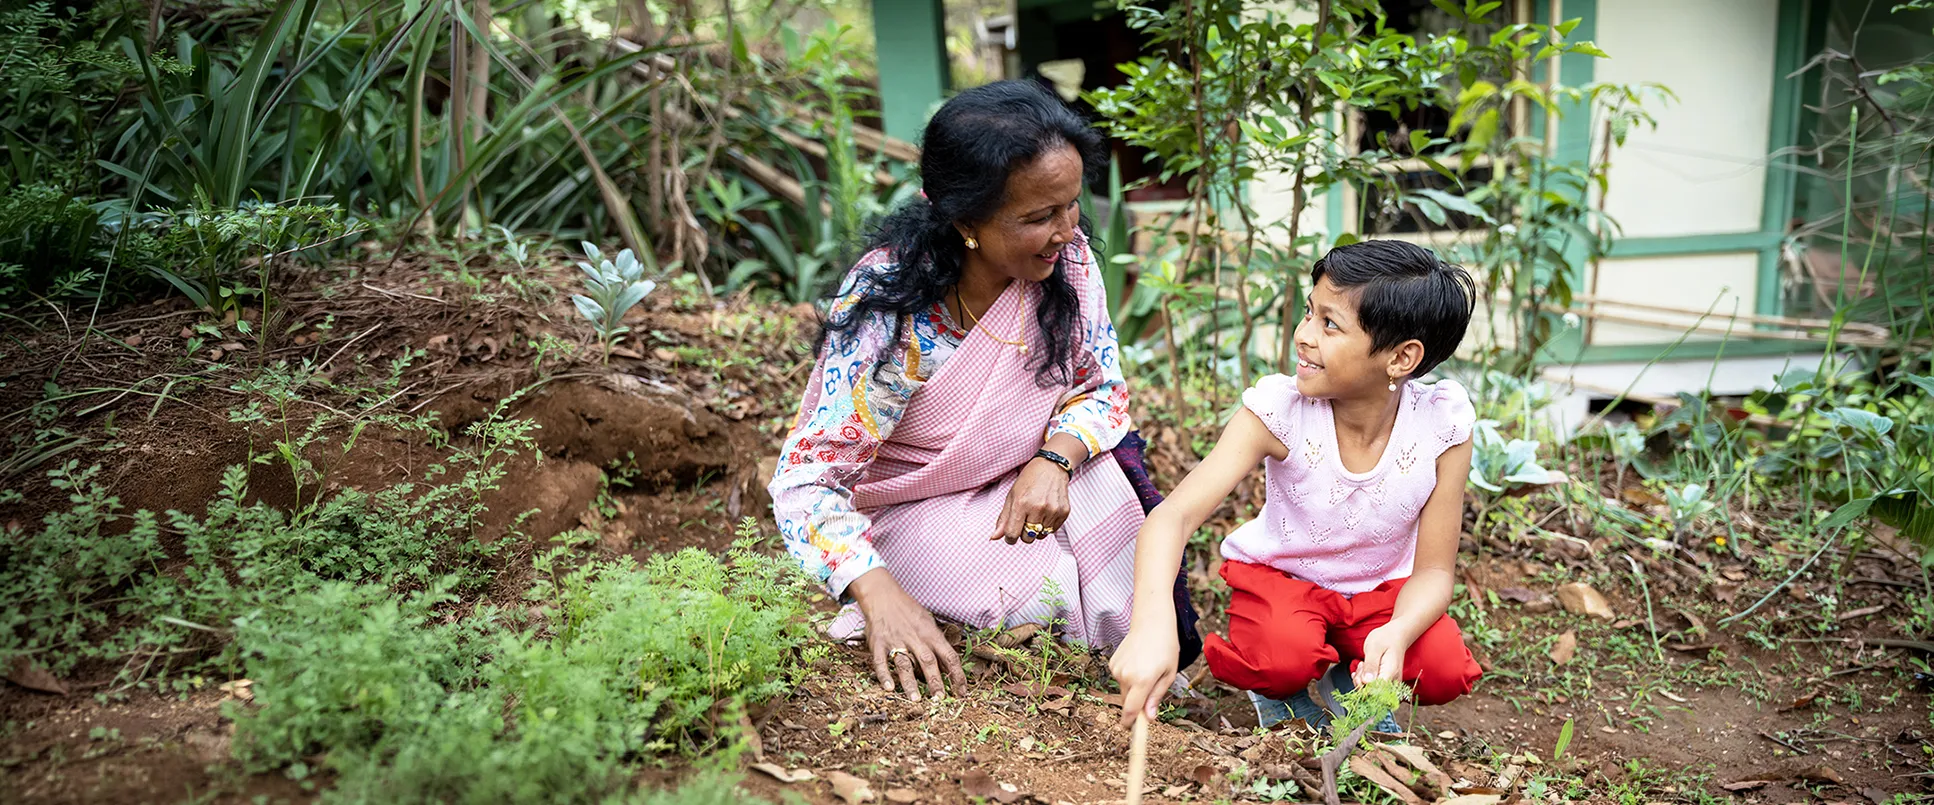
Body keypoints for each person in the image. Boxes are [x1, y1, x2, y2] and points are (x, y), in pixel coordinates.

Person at [769, 79, 1199, 703]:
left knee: (1112, 503)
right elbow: (807, 482)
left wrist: (1056, 459)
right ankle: (1084, 683)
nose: (1066, 231)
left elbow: (1102, 388)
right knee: (1033, 581)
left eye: (1071, 205)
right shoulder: (889, 304)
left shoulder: (1069, 266)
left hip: (1022, 476)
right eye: (1037, 217)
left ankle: (1147, 674)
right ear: (965, 219)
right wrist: (875, 589)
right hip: (912, 509)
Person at [1107, 240, 1483, 729]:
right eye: (1309, 312)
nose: (1303, 334)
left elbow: (1433, 571)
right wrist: (1152, 624)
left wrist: (1398, 631)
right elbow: (1173, 517)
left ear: (1401, 358)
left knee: (1441, 668)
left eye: (1330, 324)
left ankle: (1348, 677)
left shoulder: (1442, 426)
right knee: (1280, 655)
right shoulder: (1280, 412)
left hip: (1381, 592)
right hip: (1286, 582)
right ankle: (1278, 691)